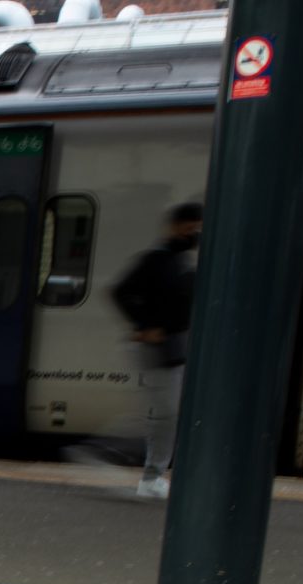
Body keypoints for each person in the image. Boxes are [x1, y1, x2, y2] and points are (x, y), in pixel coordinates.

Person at [110, 201, 202, 500]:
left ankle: (151, 474)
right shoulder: (158, 260)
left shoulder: (181, 261)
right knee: (166, 413)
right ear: (177, 226)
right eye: (192, 228)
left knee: (164, 413)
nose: (195, 234)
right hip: (158, 349)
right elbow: (120, 291)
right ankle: (145, 473)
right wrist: (144, 325)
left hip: (174, 348)